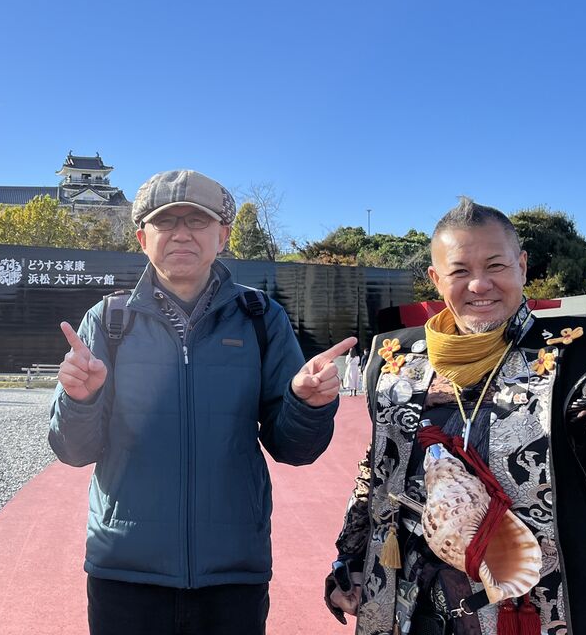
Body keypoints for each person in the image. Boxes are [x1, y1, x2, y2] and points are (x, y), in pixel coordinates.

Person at [325, 198, 586, 635]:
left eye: (496, 266)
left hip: (538, 611)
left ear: (522, 267)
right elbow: (377, 469)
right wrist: (349, 558)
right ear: (436, 279)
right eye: (459, 271)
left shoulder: (576, 359)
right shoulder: (397, 361)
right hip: (415, 609)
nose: (479, 284)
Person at [49, 169, 356, 635]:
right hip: (125, 569)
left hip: (232, 573)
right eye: (165, 221)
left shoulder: (260, 318)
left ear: (223, 235)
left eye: (197, 220)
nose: (181, 233)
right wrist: (80, 399)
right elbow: (73, 451)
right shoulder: (109, 321)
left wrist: (306, 405)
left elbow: (295, 449)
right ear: (142, 238)